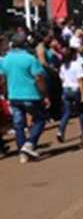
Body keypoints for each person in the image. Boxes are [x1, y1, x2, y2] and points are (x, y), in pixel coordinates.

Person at [0, 32, 49, 162]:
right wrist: (44, 94)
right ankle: (29, 144)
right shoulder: (30, 59)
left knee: (18, 125)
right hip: (30, 95)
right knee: (40, 120)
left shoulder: (6, 59)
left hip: (13, 95)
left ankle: (22, 151)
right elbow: (38, 78)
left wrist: (5, 93)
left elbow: (3, 78)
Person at [57, 43, 83, 143]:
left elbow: (62, 79)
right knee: (81, 111)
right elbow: (80, 80)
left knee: (67, 112)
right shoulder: (77, 65)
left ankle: (61, 129)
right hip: (75, 89)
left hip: (66, 89)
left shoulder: (63, 66)